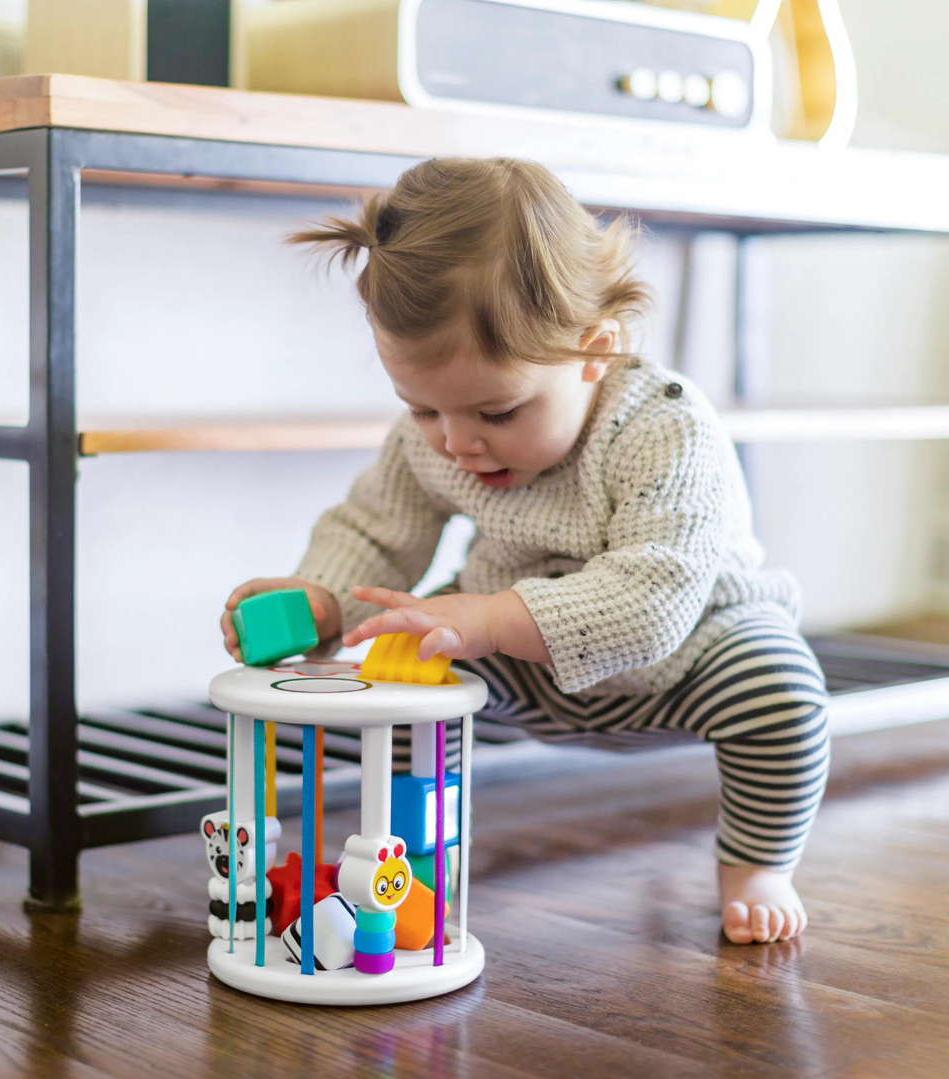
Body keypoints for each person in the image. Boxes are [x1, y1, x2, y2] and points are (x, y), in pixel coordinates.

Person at [220, 158, 829, 945]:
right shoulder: (434, 439)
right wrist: (325, 600)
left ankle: (756, 863)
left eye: (497, 411)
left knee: (785, 695)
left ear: (593, 350)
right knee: (405, 670)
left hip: (692, 654)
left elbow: (654, 599)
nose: (457, 441)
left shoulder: (665, 429)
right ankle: (414, 863)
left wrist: (491, 615)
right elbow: (377, 531)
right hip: (521, 665)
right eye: (423, 408)